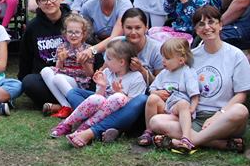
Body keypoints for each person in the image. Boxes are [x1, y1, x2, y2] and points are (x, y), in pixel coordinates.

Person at [149, 6, 250, 153]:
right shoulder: (191, 56)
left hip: (224, 117)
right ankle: (218, 143)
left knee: (241, 111)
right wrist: (159, 92)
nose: (207, 27)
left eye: (212, 22)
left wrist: (219, 115)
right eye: (201, 24)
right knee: (156, 122)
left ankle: (193, 141)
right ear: (196, 30)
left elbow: (241, 94)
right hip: (195, 116)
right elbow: (175, 80)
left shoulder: (235, 55)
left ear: (220, 25)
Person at [70, 8, 163, 144]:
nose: (133, 32)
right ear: (123, 28)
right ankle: (111, 127)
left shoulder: (156, 49)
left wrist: (142, 70)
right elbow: (104, 69)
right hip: (108, 99)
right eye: (128, 28)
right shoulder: (118, 42)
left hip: (133, 103)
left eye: (138, 27)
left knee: (142, 100)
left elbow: (159, 85)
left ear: (146, 28)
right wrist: (100, 77)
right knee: (74, 93)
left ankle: (92, 131)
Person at [50, 40, 145, 148]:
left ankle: (84, 127)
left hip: (117, 115)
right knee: (75, 93)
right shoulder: (106, 72)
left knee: (119, 97)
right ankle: (67, 124)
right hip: (99, 111)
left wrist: (119, 92)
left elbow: (132, 107)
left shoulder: (136, 77)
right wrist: (102, 86)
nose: (105, 61)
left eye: (109, 58)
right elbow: (96, 99)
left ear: (122, 62)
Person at [137, 38, 200, 152]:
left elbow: (194, 95)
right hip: (167, 107)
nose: (163, 61)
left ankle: (186, 138)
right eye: (163, 57)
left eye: (167, 58)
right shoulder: (164, 73)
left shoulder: (187, 72)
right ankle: (148, 132)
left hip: (180, 110)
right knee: (152, 98)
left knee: (183, 103)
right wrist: (156, 92)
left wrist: (192, 108)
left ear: (181, 60)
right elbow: (152, 89)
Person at [18, 0, 71, 109]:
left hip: (71, 75)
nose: (49, 2)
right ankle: (68, 103)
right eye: (43, 0)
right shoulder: (32, 26)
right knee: (29, 82)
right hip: (44, 77)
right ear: (38, 3)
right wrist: (22, 80)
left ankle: (61, 105)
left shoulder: (73, 21)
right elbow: (25, 56)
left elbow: (88, 46)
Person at [40, 13, 95, 117]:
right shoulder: (62, 47)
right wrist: (61, 60)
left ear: (83, 34)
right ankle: (66, 105)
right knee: (46, 70)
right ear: (65, 33)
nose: (73, 35)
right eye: (70, 32)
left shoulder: (87, 49)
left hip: (79, 82)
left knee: (58, 78)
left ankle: (71, 105)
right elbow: (58, 69)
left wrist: (83, 62)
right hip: (63, 78)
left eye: (77, 32)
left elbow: (90, 74)